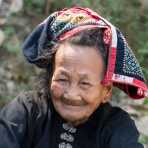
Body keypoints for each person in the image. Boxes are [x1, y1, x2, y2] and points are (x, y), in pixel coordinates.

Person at [0, 6, 147, 148]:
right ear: (51, 76)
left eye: (85, 83)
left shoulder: (116, 127)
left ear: (106, 91)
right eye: (62, 79)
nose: (71, 94)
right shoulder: (26, 111)